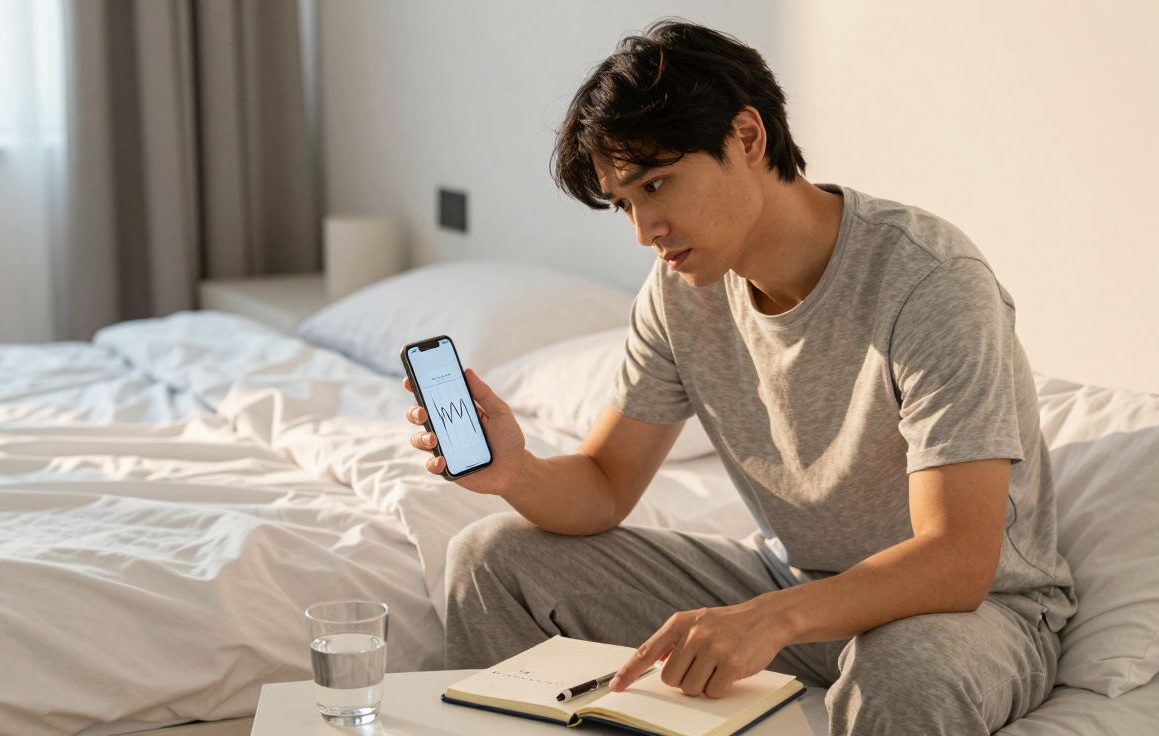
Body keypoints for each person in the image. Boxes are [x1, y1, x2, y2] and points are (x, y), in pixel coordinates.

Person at [401, 18, 1075, 735]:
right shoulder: (677, 293)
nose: (644, 228)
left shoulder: (930, 282)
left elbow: (958, 560)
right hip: (796, 587)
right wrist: (516, 472)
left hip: (971, 612)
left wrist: (766, 621)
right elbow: (603, 486)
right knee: (490, 558)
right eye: (625, 202)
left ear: (747, 138)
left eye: (657, 183)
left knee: (902, 671)